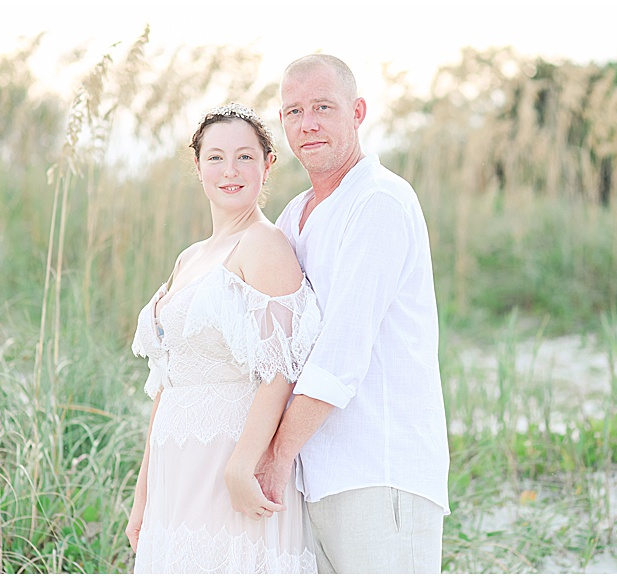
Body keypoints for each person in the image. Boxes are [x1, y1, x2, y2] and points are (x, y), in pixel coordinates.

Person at [255, 54, 451, 573]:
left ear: (358, 111)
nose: (308, 123)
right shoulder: (294, 216)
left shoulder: (379, 201)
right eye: (294, 111)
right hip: (314, 474)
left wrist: (274, 456)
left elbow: (339, 356)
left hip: (379, 472)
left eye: (323, 106)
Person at [126, 102, 321, 573]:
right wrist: (143, 491)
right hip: (177, 467)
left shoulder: (265, 245)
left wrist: (242, 463)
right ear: (197, 166)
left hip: (232, 456)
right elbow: (167, 381)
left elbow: (283, 370)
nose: (229, 171)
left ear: (267, 164)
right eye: (215, 157)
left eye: (244, 157)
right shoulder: (189, 256)